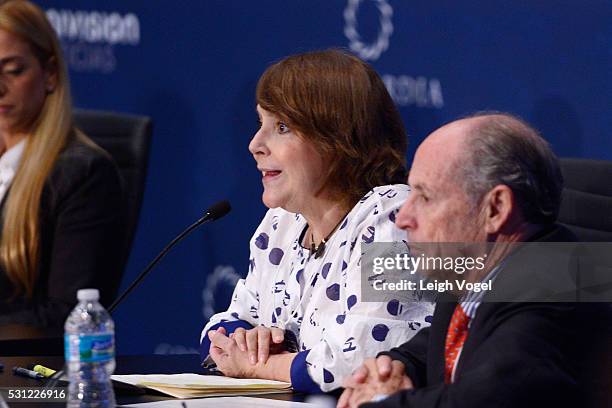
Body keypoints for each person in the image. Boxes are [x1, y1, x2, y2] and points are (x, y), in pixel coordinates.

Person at [338, 113, 611, 407]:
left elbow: (487, 397)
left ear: (496, 208)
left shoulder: (555, 285)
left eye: (425, 197)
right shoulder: (473, 268)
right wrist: (397, 366)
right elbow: (453, 342)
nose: (403, 218)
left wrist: (377, 401)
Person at [200, 49, 433, 392]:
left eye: (281, 127)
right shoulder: (282, 223)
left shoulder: (391, 216)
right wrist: (247, 341)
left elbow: (363, 362)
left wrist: (257, 364)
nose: (255, 144)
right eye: (260, 124)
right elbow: (222, 327)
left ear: (338, 139)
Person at [0, 0, 125, 328]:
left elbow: (66, 312)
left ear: (50, 73)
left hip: (28, 371)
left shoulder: (83, 175)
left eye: (13, 70)